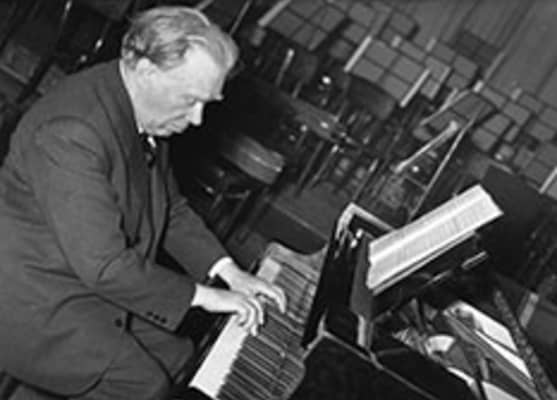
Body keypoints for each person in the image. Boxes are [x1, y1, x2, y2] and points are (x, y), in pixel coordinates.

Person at [0, 5, 286, 400]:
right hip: (30, 298)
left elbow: (170, 208)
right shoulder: (73, 133)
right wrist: (207, 297)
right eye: (191, 99)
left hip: (80, 278)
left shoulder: (139, 107)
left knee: (181, 357)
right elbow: (107, 266)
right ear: (148, 71)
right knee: (144, 386)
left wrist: (231, 274)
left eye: (206, 103)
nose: (198, 118)